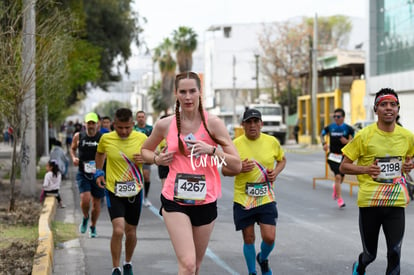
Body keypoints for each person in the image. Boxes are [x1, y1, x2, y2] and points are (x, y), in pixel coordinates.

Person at [141, 71, 241, 274]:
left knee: (195, 266)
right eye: (183, 92)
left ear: (199, 92)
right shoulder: (165, 124)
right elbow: (144, 151)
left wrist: (211, 150)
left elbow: (236, 165)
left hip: (205, 200)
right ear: (176, 94)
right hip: (175, 199)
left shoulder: (213, 123)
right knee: (187, 263)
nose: (188, 97)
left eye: (192, 91)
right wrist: (157, 159)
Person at [339, 88, 414, 275]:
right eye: (383, 104)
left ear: (398, 109)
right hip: (370, 202)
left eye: (393, 104)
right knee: (370, 254)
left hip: (396, 201)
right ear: (376, 109)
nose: (388, 108)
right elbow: (343, 166)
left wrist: (409, 165)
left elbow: (409, 159)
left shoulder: (407, 136)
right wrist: (366, 169)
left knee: (395, 252)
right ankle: (360, 266)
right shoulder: (364, 135)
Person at [222, 108, 286, 275]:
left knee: (269, 237)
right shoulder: (234, 145)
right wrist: (239, 169)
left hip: (266, 196)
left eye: (256, 122)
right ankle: (252, 271)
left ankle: (263, 258)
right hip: (244, 198)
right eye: (248, 122)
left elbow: (282, 160)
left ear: (261, 124)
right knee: (249, 238)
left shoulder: (272, 141)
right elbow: (224, 170)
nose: (252, 125)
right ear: (243, 125)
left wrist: (276, 173)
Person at [95, 108, 147, 275]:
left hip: (135, 191)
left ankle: (128, 263)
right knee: (118, 230)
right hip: (113, 190)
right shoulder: (106, 138)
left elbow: (156, 155)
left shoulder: (141, 138)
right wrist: (99, 171)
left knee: (131, 231)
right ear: (113, 125)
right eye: (120, 128)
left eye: (127, 128)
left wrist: (147, 158)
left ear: (132, 124)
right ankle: (115, 267)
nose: (124, 131)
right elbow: (100, 153)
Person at [70, 112, 104, 238]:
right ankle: (85, 217)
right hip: (83, 173)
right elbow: (72, 148)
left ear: (97, 124)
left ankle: (93, 226)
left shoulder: (102, 138)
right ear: (85, 124)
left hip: (98, 174)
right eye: (88, 123)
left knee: (96, 204)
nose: (91, 125)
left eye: (93, 123)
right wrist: (74, 157)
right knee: (85, 199)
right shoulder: (78, 136)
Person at [320, 108, 354, 208]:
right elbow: (322, 134)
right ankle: (339, 199)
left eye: (338, 116)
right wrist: (324, 144)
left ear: (343, 117)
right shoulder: (330, 127)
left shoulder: (348, 128)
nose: (336, 118)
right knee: (338, 176)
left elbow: (356, 140)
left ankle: (336, 187)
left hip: (343, 157)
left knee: (341, 178)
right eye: (334, 116)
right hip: (332, 156)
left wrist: (347, 142)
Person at [134, 110, 153, 207]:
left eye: (142, 117)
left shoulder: (150, 129)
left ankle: (145, 197)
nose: (141, 118)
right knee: (136, 177)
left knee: (146, 176)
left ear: (145, 118)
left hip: (145, 156)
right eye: (139, 117)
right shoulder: (133, 129)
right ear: (136, 118)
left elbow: (155, 141)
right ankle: (137, 197)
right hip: (134, 156)